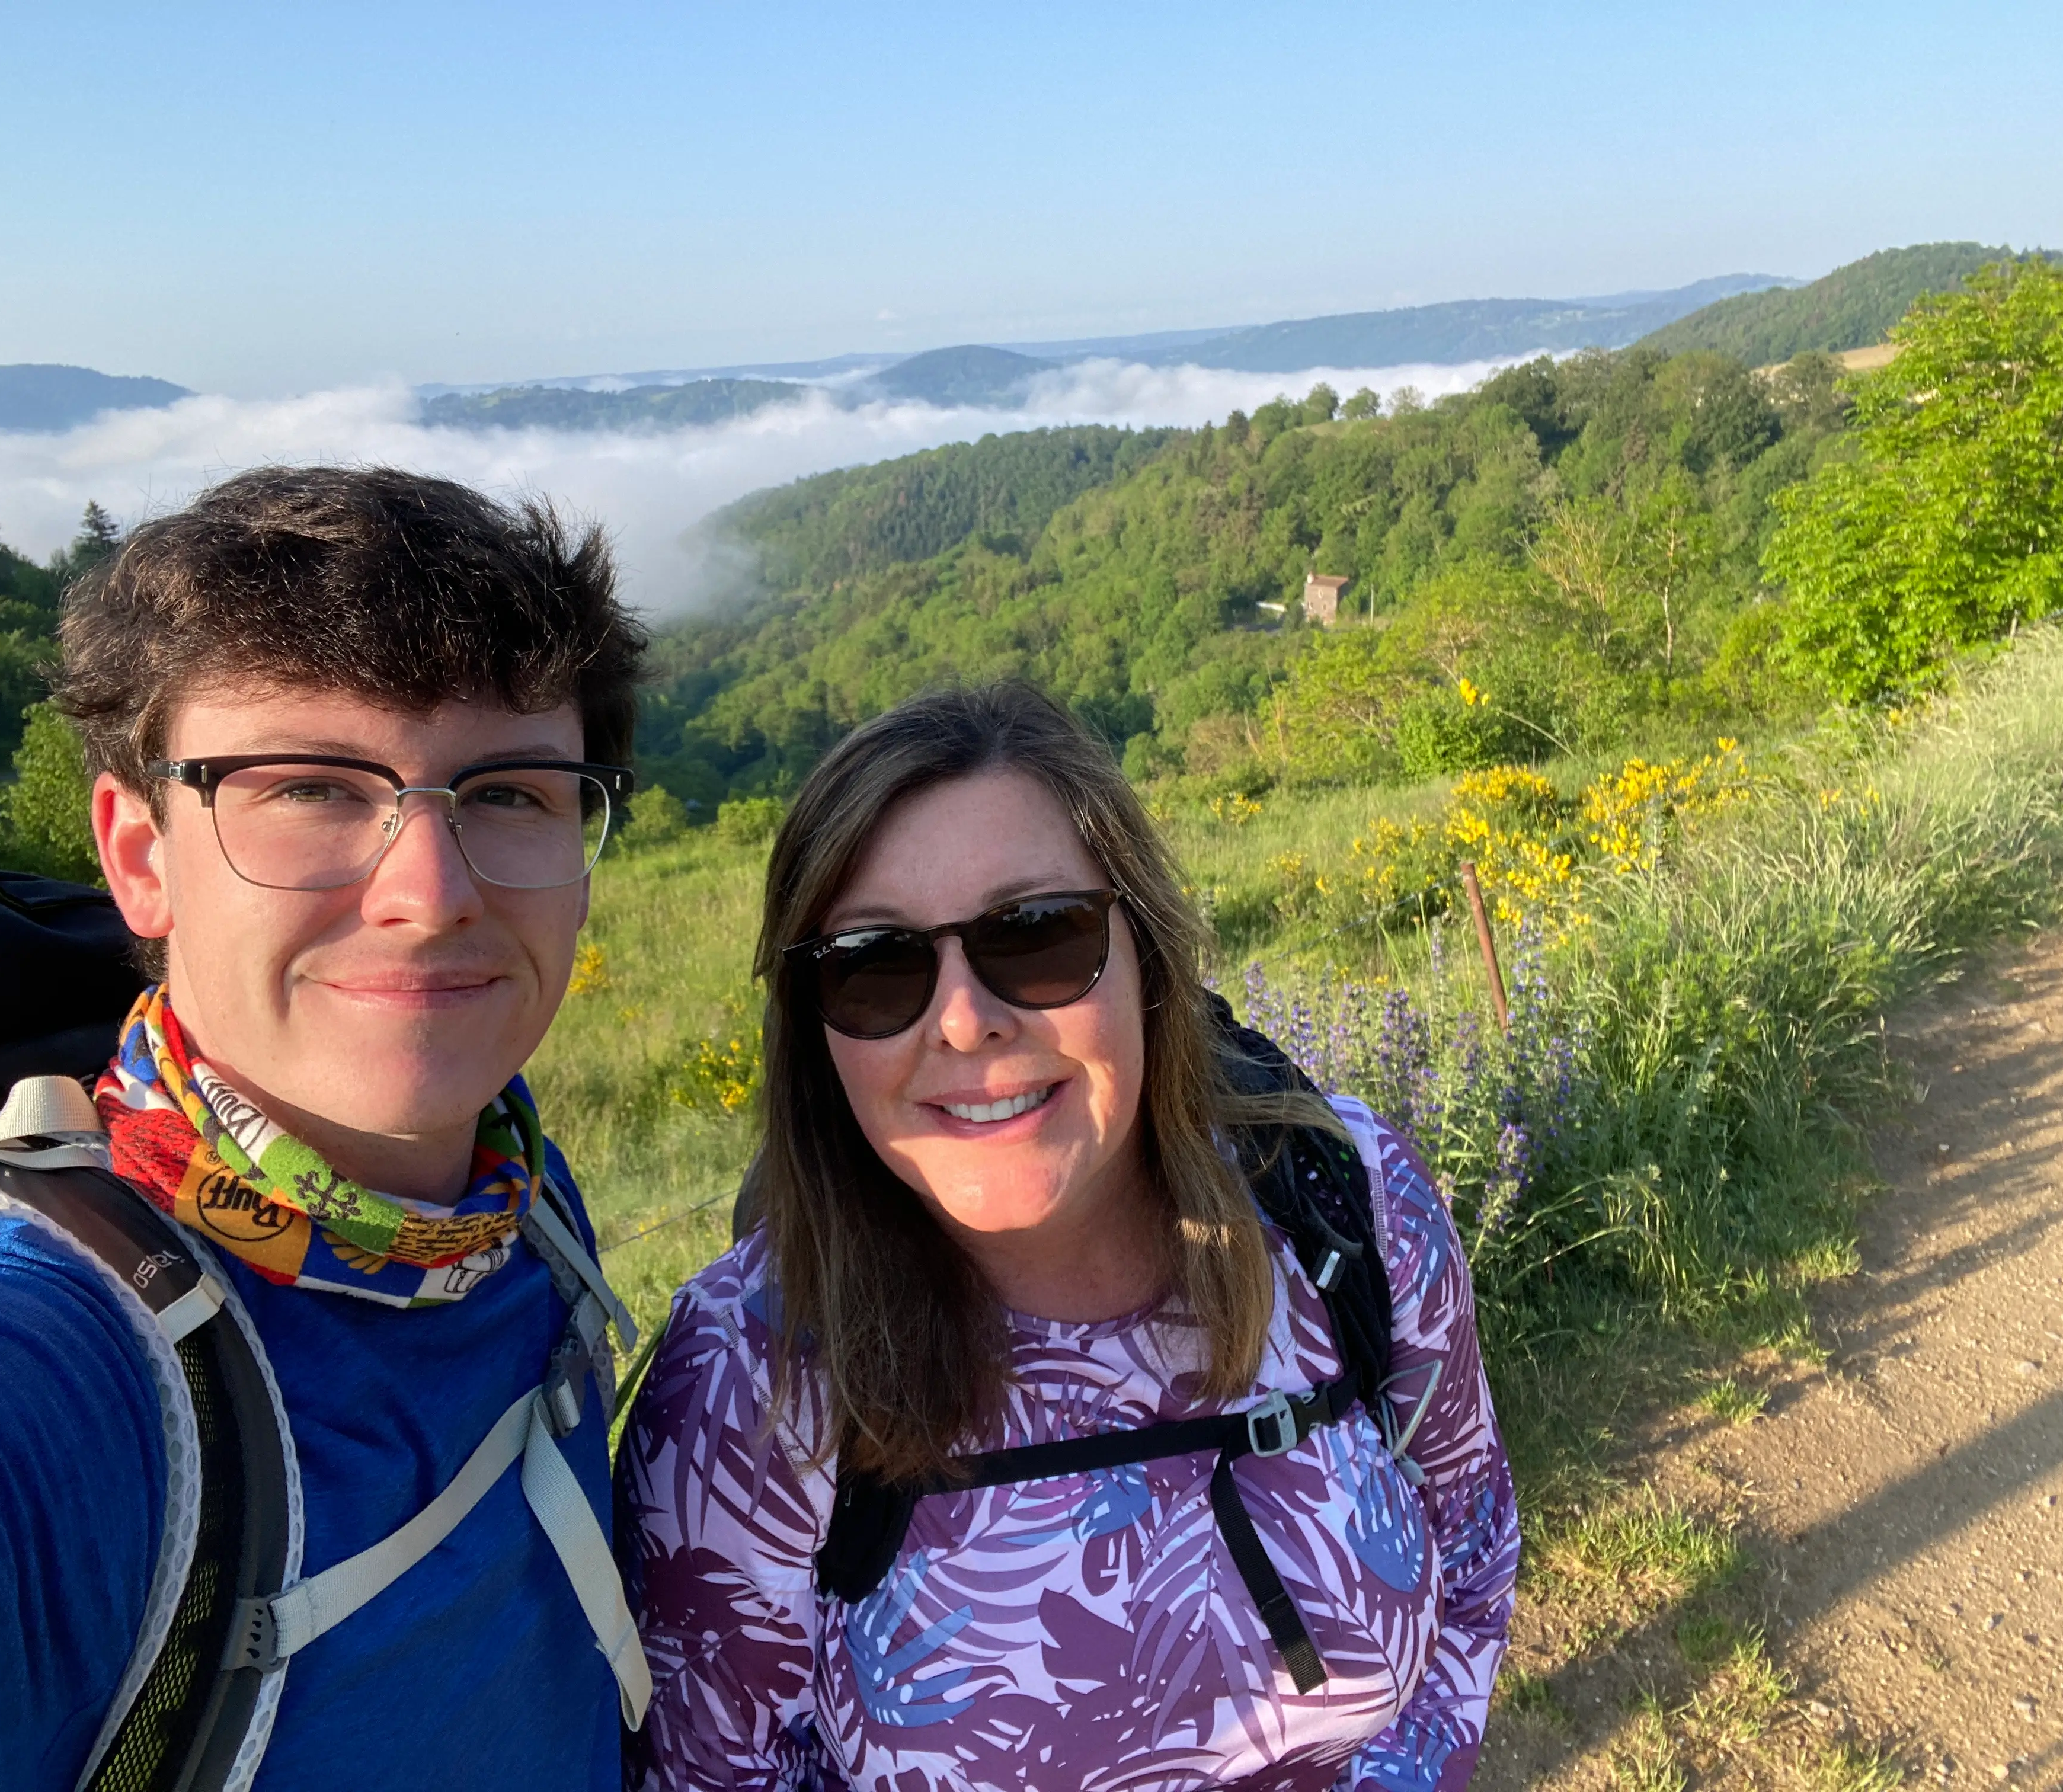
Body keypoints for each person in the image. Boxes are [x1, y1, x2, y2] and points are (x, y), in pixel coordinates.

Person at [0, 467, 649, 1789]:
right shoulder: (31, 1358)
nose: (430, 893)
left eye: (509, 792)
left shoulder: (508, 1191)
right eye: (312, 789)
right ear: (139, 854)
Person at [616, 682, 1518, 1791]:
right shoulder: (745, 1384)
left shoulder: (1349, 1207)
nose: (961, 1020)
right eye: (875, 964)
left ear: (1147, 955)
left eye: (1036, 937)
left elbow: (1472, 1546)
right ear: (815, 1033)